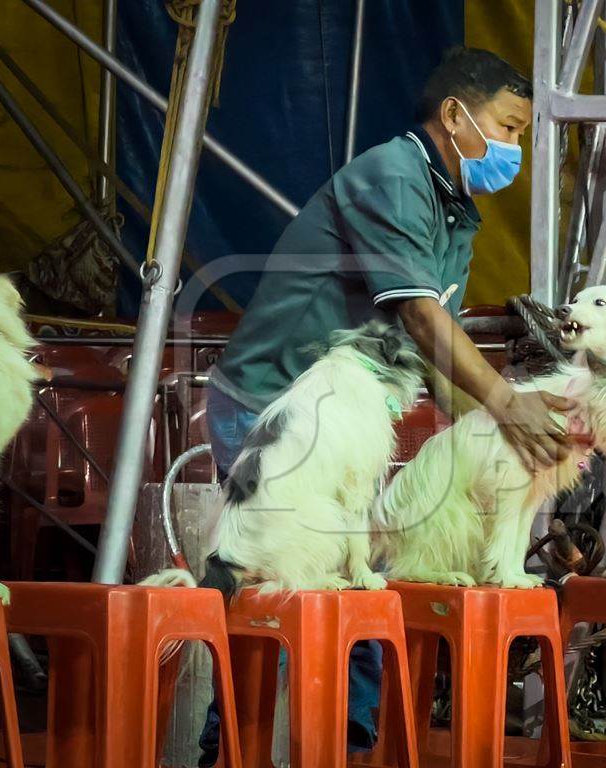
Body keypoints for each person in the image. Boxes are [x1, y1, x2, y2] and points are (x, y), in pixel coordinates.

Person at [198, 47, 574, 763]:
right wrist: (506, 405)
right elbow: (422, 320)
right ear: (457, 115)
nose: (515, 148)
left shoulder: (456, 213)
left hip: (352, 411)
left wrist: (498, 431)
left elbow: (436, 357)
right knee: (287, 591)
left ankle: (350, 746)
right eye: (509, 126)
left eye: (523, 134)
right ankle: (227, 751)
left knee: (363, 589)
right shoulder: (392, 177)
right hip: (275, 401)